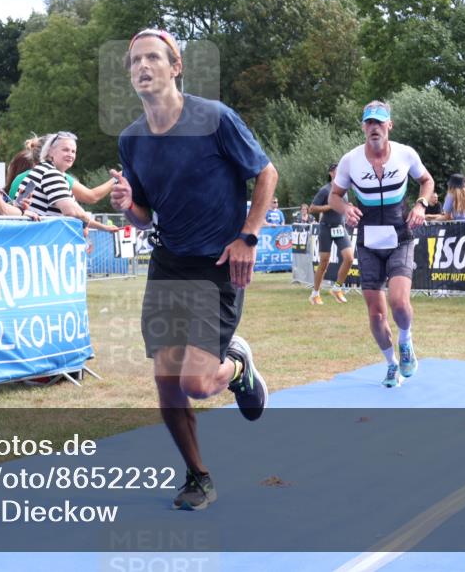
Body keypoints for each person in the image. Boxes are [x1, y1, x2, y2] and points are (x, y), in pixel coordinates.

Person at [109, 28, 277, 511]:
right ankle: (198, 476)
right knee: (167, 381)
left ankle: (238, 365)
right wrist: (127, 204)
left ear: (176, 66)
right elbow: (145, 215)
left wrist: (248, 236)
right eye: (135, 61)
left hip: (217, 265)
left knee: (197, 384)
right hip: (168, 263)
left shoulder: (214, 118)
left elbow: (266, 173)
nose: (143, 67)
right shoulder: (131, 139)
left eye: (153, 58)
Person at [328, 101, 434, 388]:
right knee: (376, 313)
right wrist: (345, 208)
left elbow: (427, 181)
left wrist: (421, 205)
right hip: (368, 240)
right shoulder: (350, 160)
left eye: (379, 122)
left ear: (389, 125)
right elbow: (334, 196)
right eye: (369, 122)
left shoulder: (405, 154)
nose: (374, 127)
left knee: (399, 301)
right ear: (363, 127)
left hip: (400, 236)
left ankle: (406, 341)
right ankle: (390, 364)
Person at [19, 132, 117, 232]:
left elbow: (76, 210)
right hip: (42, 235)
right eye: (65, 150)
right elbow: (72, 212)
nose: (70, 155)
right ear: (50, 151)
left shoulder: (41, 170)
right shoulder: (50, 173)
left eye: (73, 151)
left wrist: (104, 227)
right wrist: (85, 221)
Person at [308, 163, 354, 304]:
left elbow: (343, 207)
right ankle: (315, 294)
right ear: (331, 173)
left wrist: (348, 208)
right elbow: (312, 208)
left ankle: (337, 288)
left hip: (340, 227)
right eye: (336, 171)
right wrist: (330, 206)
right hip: (326, 228)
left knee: (349, 258)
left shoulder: (344, 189)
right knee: (324, 262)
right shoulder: (325, 190)